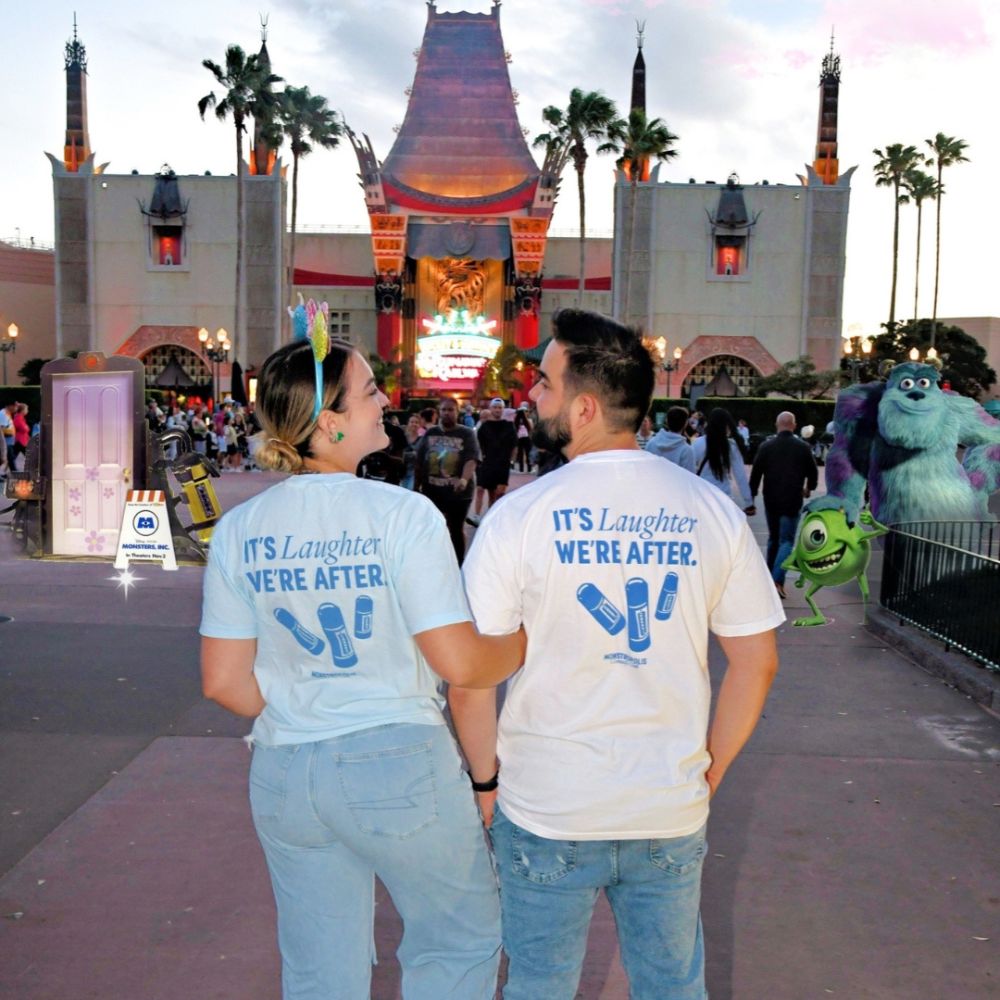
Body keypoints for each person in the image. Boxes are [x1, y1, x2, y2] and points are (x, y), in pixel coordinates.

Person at [450, 308, 783, 1000]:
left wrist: (485, 783)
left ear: (585, 406)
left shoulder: (519, 515)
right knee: (670, 985)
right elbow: (757, 661)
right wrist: (709, 771)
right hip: (667, 802)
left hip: (546, 803)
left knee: (539, 984)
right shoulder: (710, 509)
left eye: (544, 384)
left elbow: (471, 678)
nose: (531, 397)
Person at [199, 338, 525, 1000]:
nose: (385, 401)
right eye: (371, 389)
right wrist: (520, 642)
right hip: (398, 759)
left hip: (287, 769)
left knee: (321, 969)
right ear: (330, 421)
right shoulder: (401, 515)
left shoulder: (241, 528)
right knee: (456, 939)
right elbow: (459, 661)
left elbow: (225, 683)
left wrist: (306, 703)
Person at [749, 410, 818, 599]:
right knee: (787, 541)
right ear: (794, 425)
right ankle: (777, 580)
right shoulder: (803, 447)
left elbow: (756, 474)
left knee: (773, 539)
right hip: (792, 498)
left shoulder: (766, 446)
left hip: (771, 498)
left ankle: (769, 578)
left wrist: (751, 498)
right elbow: (813, 473)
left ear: (776, 424)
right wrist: (808, 487)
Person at [414, 397, 480, 562]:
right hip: (433, 489)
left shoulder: (466, 433)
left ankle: (458, 565)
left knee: (455, 528)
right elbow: (419, 461)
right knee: (435, 527)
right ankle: (437, 562)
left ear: (457, 412)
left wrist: (464, 480)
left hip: (459, 492)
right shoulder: (430, 433)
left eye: (451, 410)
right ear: (439, 412)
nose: (447, 413)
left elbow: (471, 459)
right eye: (444, 410)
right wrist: (416, 487)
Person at [691, 408, 755, 513]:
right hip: (723, 496)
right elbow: (740, 475)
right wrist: (749, 503)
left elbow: (690, 469)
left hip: (702, 495)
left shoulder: (698, 443)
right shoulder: (731, 446)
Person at [468, 397, 517, 527]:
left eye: (500, 407)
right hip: (489, 463)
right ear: (490, 409)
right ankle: (491, 519)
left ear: (503, 409)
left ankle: (497, 518)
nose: (497, 410)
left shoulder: (509, 426)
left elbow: (514, 446)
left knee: (500, 493)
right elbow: (480, 445)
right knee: (490, 494)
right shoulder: (484, 427)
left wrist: (511, 460)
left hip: (503, 464)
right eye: (495, 407)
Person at [645, 405, 696, 472]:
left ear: (667, 421)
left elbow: (645, 470)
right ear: (685, 424)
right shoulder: (687, 450)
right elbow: (690, 477)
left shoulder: (651, 443)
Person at [512, 406, 532, 473]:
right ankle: (529, 468)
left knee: (520, 454)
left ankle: (521, 469)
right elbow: (530, 428)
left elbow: (514, 430)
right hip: (526, 438)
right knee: (527, 453)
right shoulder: (527, 420)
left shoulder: (516, 421)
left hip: (519, 438)